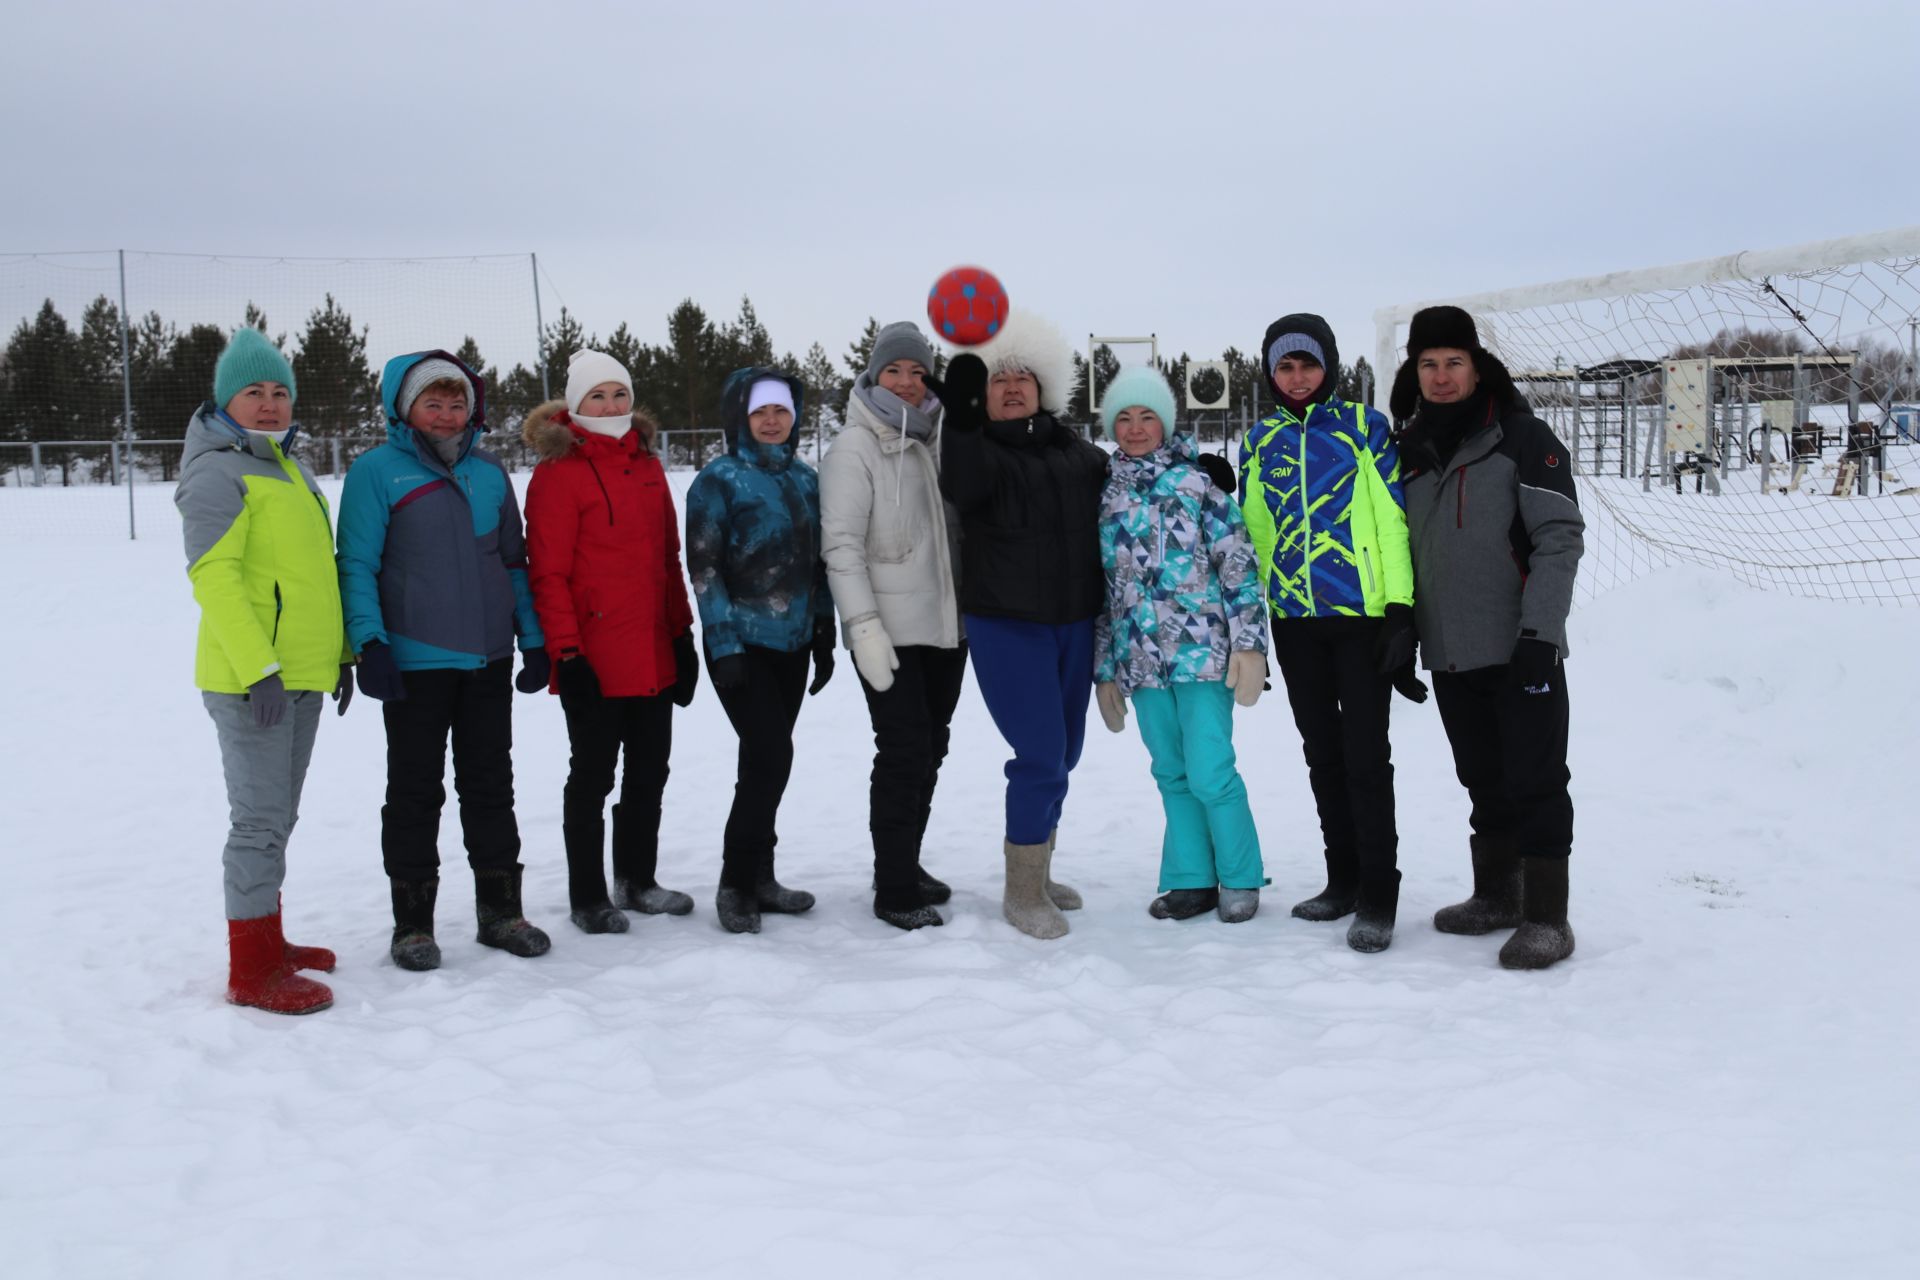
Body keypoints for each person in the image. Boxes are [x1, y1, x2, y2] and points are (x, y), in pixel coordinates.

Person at [336, 350, 552, 969]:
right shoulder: (376, 472)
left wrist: (530, 637)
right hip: (414, 663)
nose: (447, 414)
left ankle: (501, 914)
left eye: (458, 403)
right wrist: (370, 643)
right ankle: (412, 927)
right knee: (413, 792)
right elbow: (357, 564)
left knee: (490, 788)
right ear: (406, 409)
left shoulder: (488, 474)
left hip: (487, 660)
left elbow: (513, 562)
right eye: (433, 403)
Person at [1389, 305, 1584, 970]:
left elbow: (1558, 539)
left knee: (1535, 778)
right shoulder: (1408, 452)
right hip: (1450, 651)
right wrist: (1404, 634)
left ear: (1477, 368)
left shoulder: (1523, 438)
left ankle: (1546, 918)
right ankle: (1497, 895)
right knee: (1482, 780)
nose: (1441, 376)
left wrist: (1541, 634)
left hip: (1519, 646)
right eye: (1428, 364)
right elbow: (1402, 553)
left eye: (1453, 363)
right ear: (1414, 372)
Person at [175, 327, 352, 1014]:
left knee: (279, 816)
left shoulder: (289, 467)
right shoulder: (217, 471)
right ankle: (251, 970)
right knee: (256, 822)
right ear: (226, 401)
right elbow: (214, 579)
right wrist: (259, 669)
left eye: (280, 392)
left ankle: (269, 941)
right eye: (254, 392)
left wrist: (336, 658)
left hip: (302, 673)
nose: (271, 404)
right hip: (251, 679)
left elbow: (312, 579)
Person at [1237, 313, 1422, 952]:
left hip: (1363, 621)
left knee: (1367, 759)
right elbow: (1254, 535)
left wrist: (1402, 611)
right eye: (1284, 367)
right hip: (1295, 624)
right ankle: (1341, 879)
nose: (1296, 378)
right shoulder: (1259, 441)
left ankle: (1378, 893)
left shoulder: (1365, 429)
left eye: (1307, 365)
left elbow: (1393, 521)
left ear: (1329, 367)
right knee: (1323, 756)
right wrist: (1249, 624)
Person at [930, 310, 1108, 940]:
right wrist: (961, 417)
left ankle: (1041, 866)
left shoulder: (1078, 455)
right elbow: (964, 483)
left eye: (1022, 378)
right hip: (1009, 624)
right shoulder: (980, 450)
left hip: (1074, 621)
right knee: (1039, 755)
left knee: (1068, 751)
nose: (1011, 388)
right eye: (997, 381)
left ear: (1044, 387)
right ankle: (1022, 892)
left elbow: (1130, 493)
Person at [523, 350, 700, 935]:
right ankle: (588, 896)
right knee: (593, 777)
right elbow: (547, 573)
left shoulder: (648, 466)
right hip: (592, 658)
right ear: (575, 403)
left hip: (651, 648)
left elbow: (667, 560)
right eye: (597, 396)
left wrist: (681, 634)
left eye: (618, 394)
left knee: (650, 771)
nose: (610, 406)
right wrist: (566, 654)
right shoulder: (558, 473)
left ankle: (637, 880)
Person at [1092, 367, 1269, 922]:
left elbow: (1237, 563)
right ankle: (1191, 880)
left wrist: (1250, 644)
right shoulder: (1104, 497)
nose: (1136, 427)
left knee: (1210, 769)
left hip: (1203, 655)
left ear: (1165, 424)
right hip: (1140, 661)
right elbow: (1100, 587)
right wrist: (1104, 670)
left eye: (1147, 417)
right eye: (1124, 417)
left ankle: (1240, 877)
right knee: (1170, 771)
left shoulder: (1198, 486)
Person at [821, 322, 967, 931]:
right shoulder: (856, 448)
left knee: (932, 746)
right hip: (889, 635)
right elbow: (842, 546)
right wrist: (863, 628)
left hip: (945, 630)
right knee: (903, 751)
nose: (906, 383)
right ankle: (895, 886)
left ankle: (903, 861)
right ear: (873, 377)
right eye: (894, 371)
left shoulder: (940, 438)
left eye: (917, 372)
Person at [686, 366, 834, 934]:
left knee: (765, 764)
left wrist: (823, 631)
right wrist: (723, 646)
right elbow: (704, 568)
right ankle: (735, 883)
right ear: (740, 417)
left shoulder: (805, 479)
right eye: (760, 412)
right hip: (741, 643)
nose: (772, 421)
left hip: (793, 644)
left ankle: (761, 879)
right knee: (770, 757)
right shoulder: (718, 480)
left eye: (781, 411)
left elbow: (818, 564)